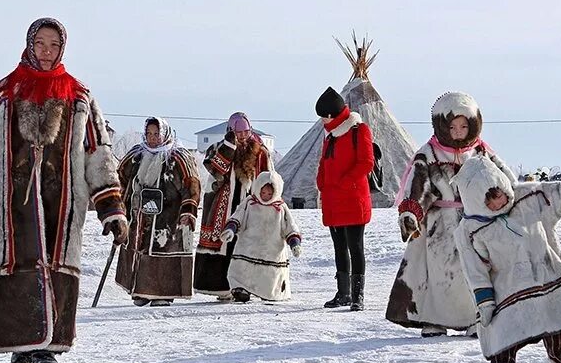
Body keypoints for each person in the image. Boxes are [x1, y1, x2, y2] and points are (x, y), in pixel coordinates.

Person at [0, 17, 127, 363]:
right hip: (10, 203)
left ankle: (47, 348)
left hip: (62, 203)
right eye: (40, 43)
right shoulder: (2, 94)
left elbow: (97, 154)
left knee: (53, 263)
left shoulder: (79, 98)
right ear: (28, 44)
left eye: (54, 45)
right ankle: (21, 344)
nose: (46, 51)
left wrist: (111, 208)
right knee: (16, 264)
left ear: (62, 49)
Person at [453, 155, 561, 363]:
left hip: (544, 274)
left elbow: (559, 195)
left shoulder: (529, 197)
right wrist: (484, 301)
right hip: (506, 287)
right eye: (488, 201)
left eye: (498, 194)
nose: (498, 203)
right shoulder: (469, 231)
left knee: (553, 315)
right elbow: (474, 268)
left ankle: (559, 354)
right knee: (504, 327)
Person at [386, 92, 516, 337]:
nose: (458, 131)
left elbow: (506, 181)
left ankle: (474, 318)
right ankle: (434, 319)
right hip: (440, 224)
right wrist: (411, 213)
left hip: (475, 223)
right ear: (442, 125)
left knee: (474, 271)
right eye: (453, 126)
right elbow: (418, 186)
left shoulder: (481, 153)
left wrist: (509, 200)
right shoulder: (429, 154)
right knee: (439, 273)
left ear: (474, 125)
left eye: (464, 125)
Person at [115, 117, 201, 306]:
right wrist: (118, 204)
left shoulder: (178, 158)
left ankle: (163, 293)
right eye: (149, 134)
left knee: (162, 249)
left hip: (168, 216)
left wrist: (188, 210)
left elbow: (191, 185)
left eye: (156, 134)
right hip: (139, 214)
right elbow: (119, 178)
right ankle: (141, 290)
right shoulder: (136, 155)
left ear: (164, 135)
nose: (153, 138)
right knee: (141, 248)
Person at [194, 112, 272, 299]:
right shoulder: (218, 148)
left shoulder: (260, 152)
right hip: (223, 204)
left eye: (245, 132)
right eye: (238, 133)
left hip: (250, 203)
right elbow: (216, 170)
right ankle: (222, 287)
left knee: (247, 244)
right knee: (224, 243)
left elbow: (268, 178)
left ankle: (245, 287)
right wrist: (229, 146)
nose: (243, 136)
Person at [315, 86, 374, 311]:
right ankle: (343, 293)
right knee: (339, 247)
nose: (322, 121)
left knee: (355, 246)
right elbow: (323, 162)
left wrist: (345, 182)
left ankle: (358, 295)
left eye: (323, 117)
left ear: (332, 115)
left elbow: (366, 162)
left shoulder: (359, 131)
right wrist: (321, 182)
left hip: (352, 198)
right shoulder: (330, 136)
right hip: (332, 198)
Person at [220, 170, 302, 302]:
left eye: (270, 193)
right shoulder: (249, 203)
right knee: (242, 271)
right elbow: (238, 217)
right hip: (248, 246)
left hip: (271, 249)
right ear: (258, 188)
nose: (266, 196)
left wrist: (294, 244)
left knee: (269, 277)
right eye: (263, 193)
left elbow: (290, 227)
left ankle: (271, 293)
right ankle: (241, 290)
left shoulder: (280, 208)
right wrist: (230, 230)